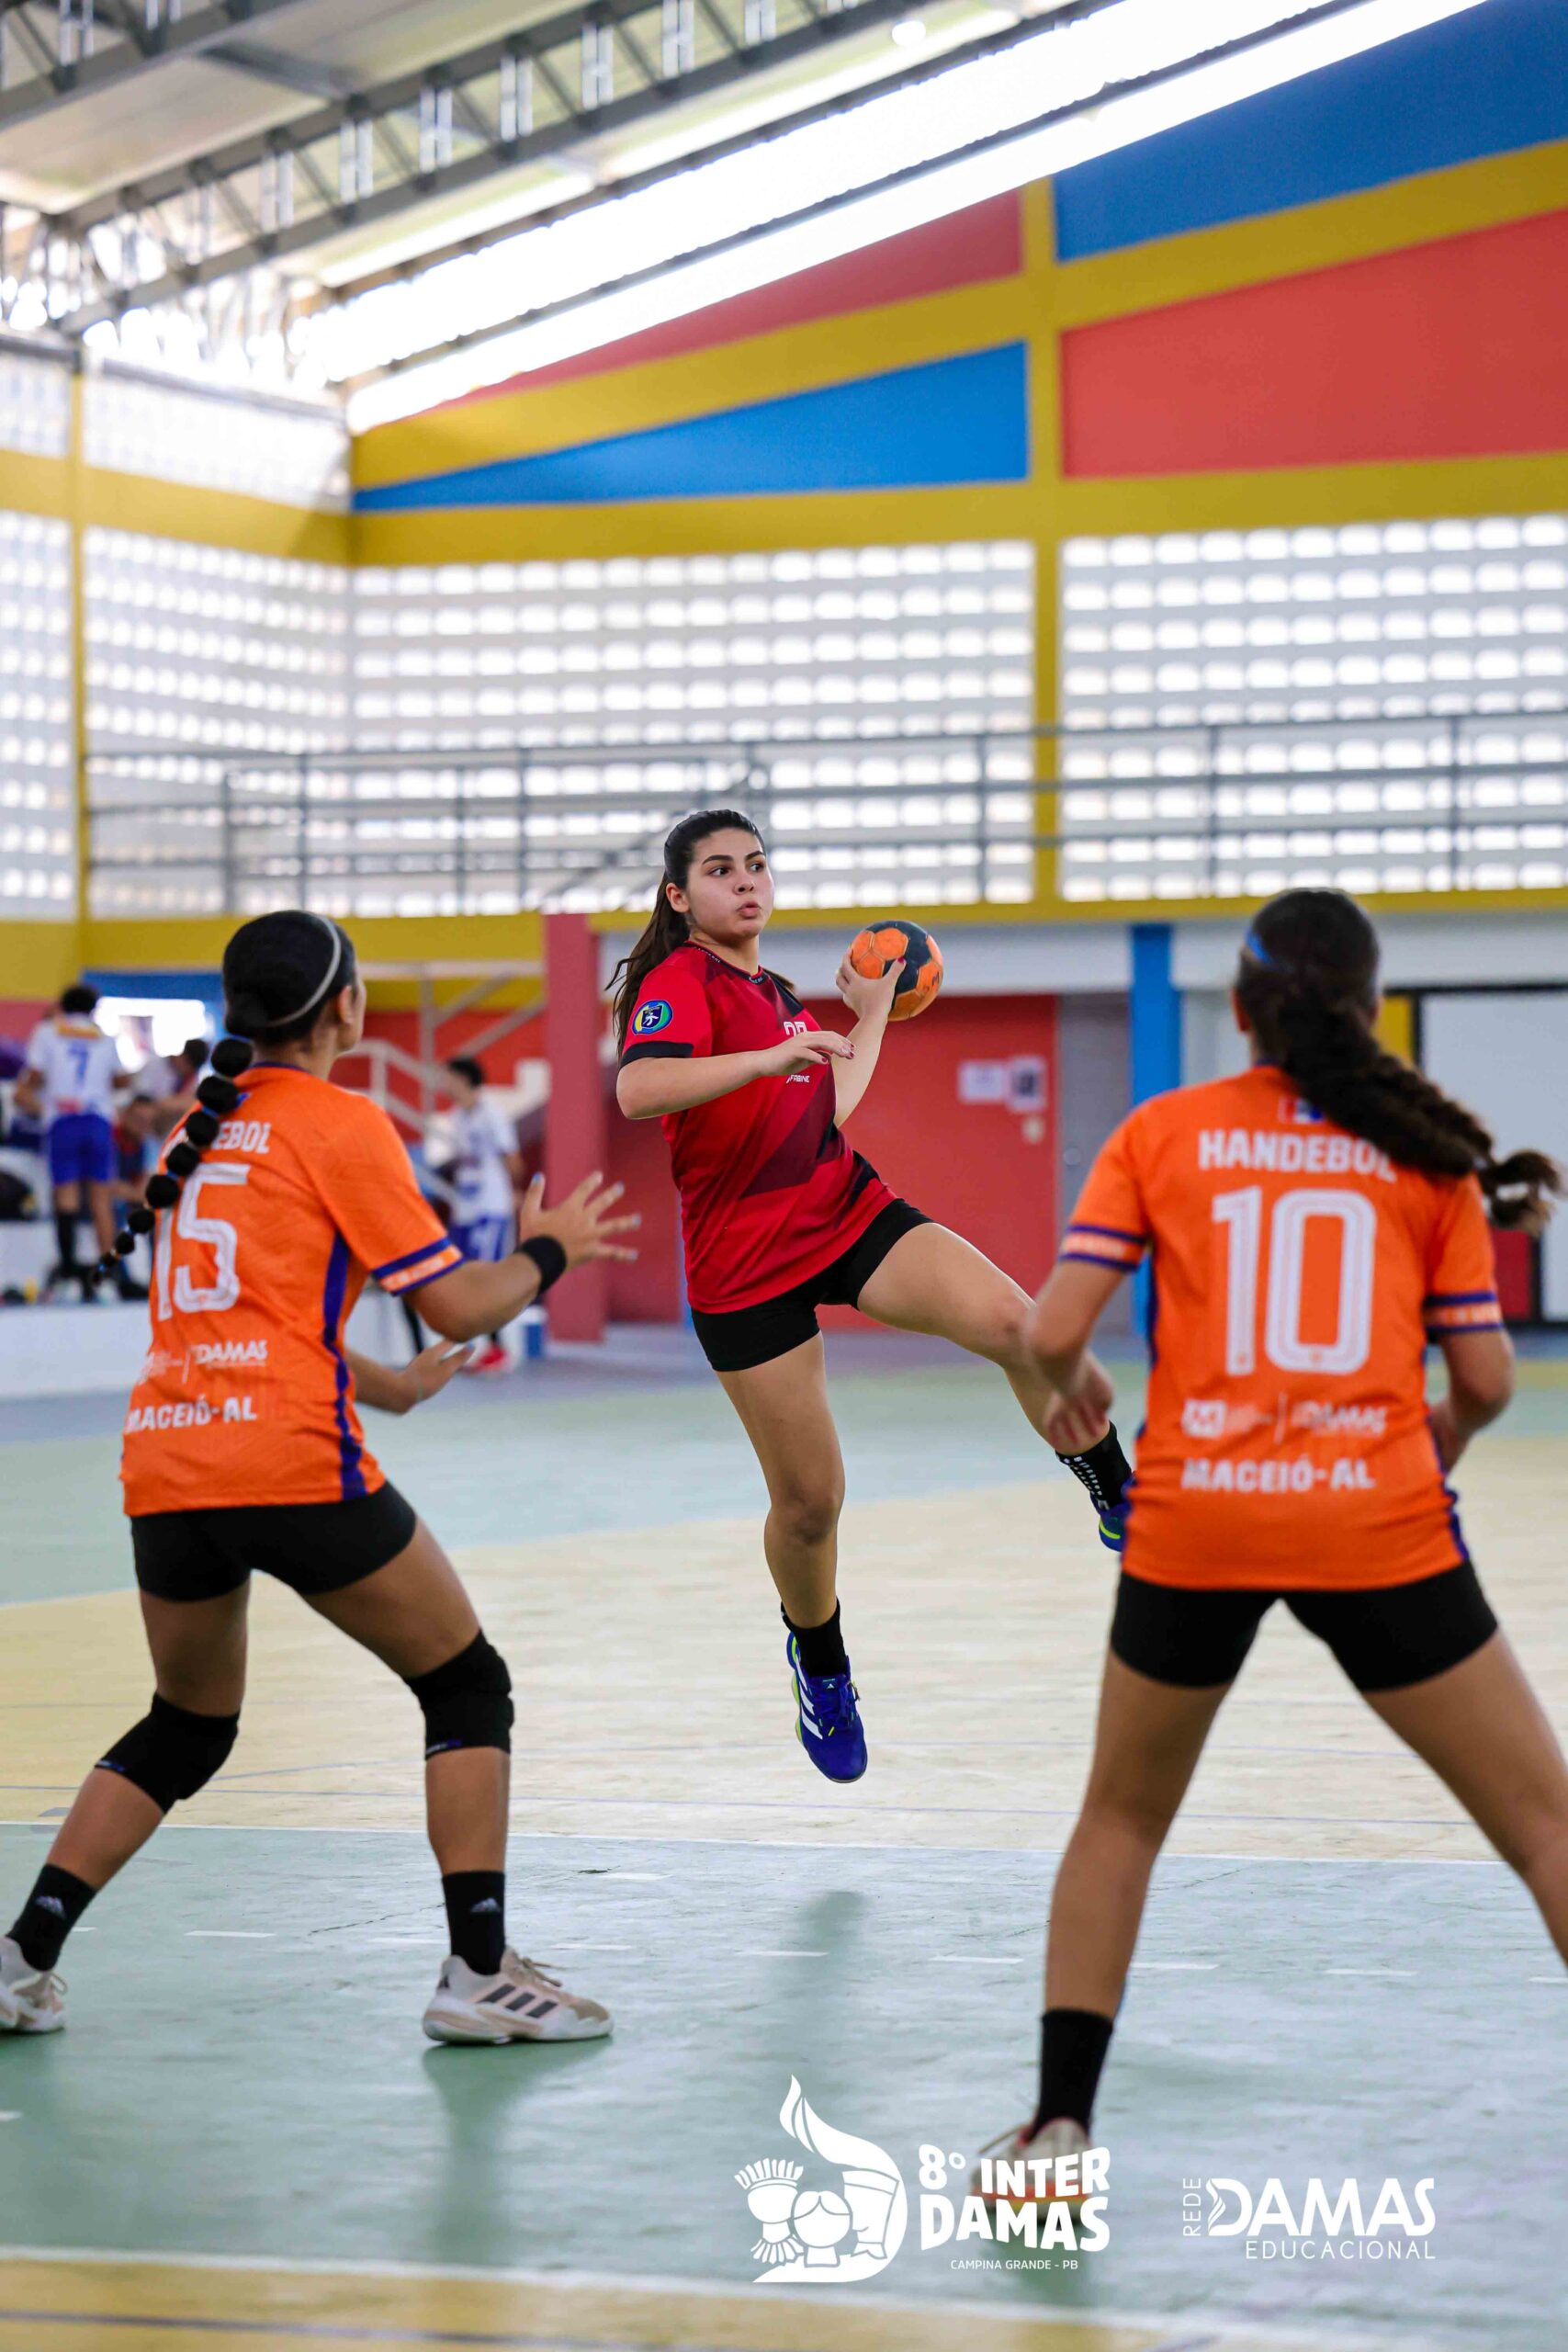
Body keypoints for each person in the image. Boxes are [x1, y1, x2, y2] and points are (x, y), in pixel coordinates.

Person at [976, 887, 1568, 2200]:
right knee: (1543, 1830)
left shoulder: (1161, 1133)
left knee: (1118, 1822)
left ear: (1240, 1014)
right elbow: (1483, 1382)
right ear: (1364, 1009)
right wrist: (1430, 1455)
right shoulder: (1423, 1159)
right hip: (1377, 1523)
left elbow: (1047, 1325)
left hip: (1195, 1524)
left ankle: (1056, 2136)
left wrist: (1063, 1388)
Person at [0, 909, 637, 2045]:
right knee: (466, 1685)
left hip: (167, 1461)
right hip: (286, 1459)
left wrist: (387, 1387)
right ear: (346, 1009)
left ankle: (20, 1954)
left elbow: (252, 1307)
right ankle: (479, 1972)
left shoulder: (201, 1127)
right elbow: (458, 1301)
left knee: (185, 1726)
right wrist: (552, 1251)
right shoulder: (343, 1123)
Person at [614, 808, 1128, 1786]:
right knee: (812, 1503)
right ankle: (821, 1660)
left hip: (847, 1211)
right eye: (720, 870)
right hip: (742, 1266)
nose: (746, 882)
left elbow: (827, 1101)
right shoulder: (679, 981)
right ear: (680, 896)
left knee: (1022, 1325)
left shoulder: (773, 990)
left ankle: (1114, 1487)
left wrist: (871, 1014)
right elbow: (642, 1090)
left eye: (757, 865)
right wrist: (767, 1060)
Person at [17, 983, 141, 1301]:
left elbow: (33, 1076)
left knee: (67, 1195)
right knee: (102, 1197)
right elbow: (122, 1079)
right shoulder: (103, 1036)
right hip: (98, 1119)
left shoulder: (48, 1031)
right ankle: (112, 1269)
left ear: (62, 1005)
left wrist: (39, 1095)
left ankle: (70, 1268)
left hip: (63, 1117)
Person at [443, 1055, 525, 1376]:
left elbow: (511, 1158)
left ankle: (498, 1348)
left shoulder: (492, 1114)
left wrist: (514, 1191)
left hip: (490, 1208)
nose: (444, 1083)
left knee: (484, 1277)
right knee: (460, 1277)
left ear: (463, 1079)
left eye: (449, 1077)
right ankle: (476, 1348)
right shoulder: (457, 1117)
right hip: (465, 1208)